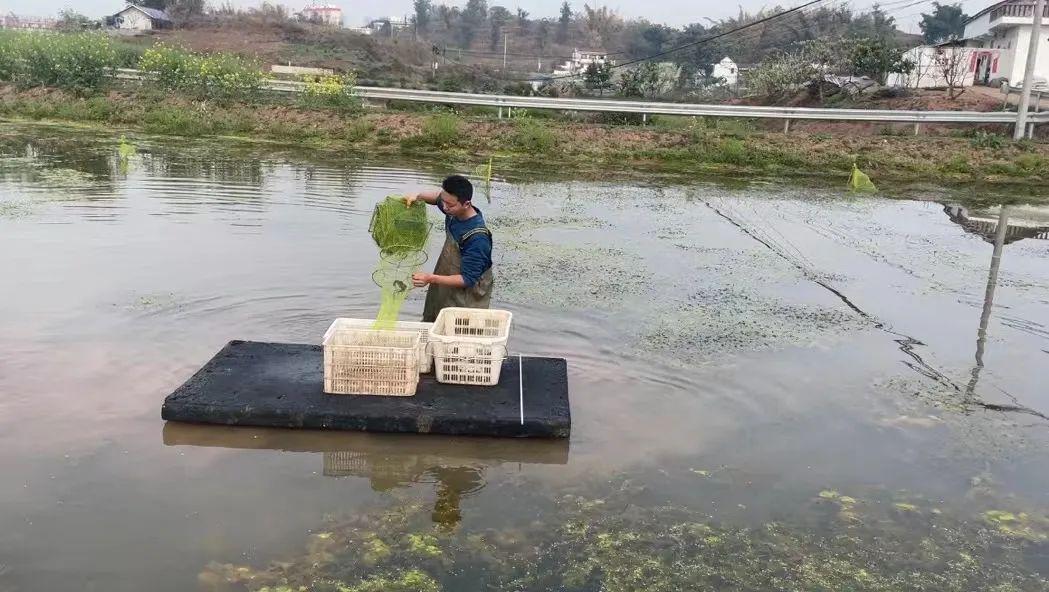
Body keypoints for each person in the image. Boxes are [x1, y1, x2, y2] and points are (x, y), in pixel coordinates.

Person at [404, 175, 493, 322]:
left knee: (456, 330)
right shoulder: (453, 210)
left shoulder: (477, 238)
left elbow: (468, 279)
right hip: (445, 282)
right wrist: (417, 196)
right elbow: (437, 198)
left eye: (449, 205)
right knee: (435, 321)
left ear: (466, 204)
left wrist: (430, 278)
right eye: (444, 202)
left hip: (466, 295)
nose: (444, 207)